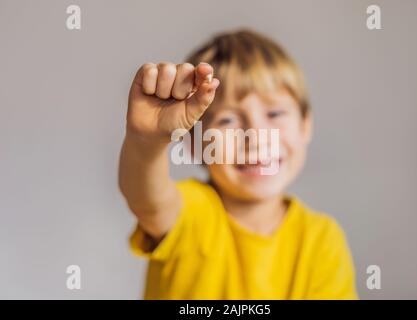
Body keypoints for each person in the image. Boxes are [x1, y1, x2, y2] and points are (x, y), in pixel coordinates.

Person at [119, 29, 358, 299]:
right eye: (227, 121)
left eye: (275, 113)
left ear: (305, 125)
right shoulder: (192, 213)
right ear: (196, 145)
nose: (255, 137)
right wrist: (145, 141)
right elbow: (147, 200)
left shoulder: (321, 240)